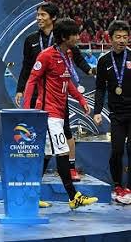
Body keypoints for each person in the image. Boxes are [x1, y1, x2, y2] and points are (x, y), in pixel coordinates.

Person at [20, 18, 98, 209]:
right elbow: (32, 80)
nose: (78, 37)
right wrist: (27, 109)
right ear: (64, 37)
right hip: (48, 114)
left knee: (46, 156)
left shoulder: (67, 54)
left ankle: (29, 195)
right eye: (75, 34)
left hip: (59, 113)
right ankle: (74, 197)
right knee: (63, 152)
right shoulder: (46, 56)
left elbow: (67, 81)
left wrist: (81, 100)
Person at [94, 20, 130, 204]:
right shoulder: (104, 61)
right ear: (110, 38)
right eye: (118, 37)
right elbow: (100, 88)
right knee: (117, 150)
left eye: (125, 37)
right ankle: (117, 185)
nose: (122, 40)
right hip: (116, 114)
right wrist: (97, 111)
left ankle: (129, 187)